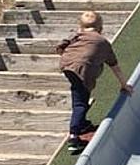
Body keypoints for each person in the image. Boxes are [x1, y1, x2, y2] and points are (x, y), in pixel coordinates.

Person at [55, 11, 133, 154]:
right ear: (101, 28)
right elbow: (115, 67)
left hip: (67, 65)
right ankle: (73, 136)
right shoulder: (103, 43)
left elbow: (62, 47)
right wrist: (124, 85)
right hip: (82, 69)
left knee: (79, 92)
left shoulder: (77, 36)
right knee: (81, 103)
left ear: (81, 27)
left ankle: (82, 123)